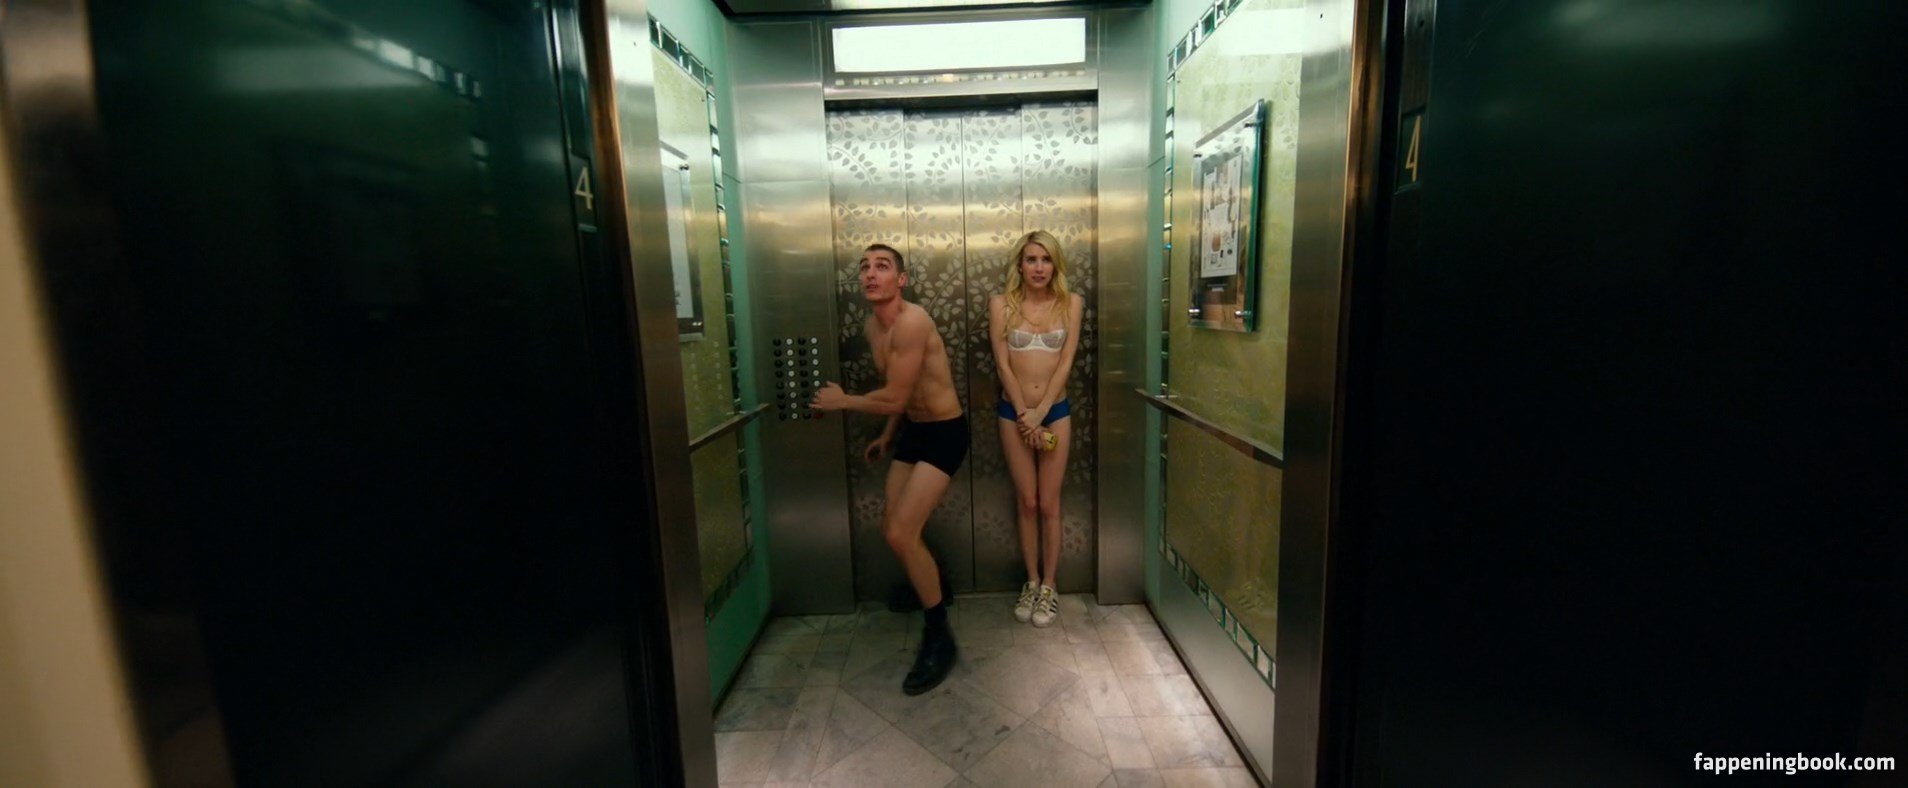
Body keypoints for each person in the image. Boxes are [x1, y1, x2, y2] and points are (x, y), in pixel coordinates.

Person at [812, 243, 964, 695]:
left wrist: (843, 401)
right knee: (892, 528)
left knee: (901, 532)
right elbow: (903, 391)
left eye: (882, 266)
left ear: (901, 279)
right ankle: (935, 584)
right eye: (864, 267)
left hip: (945, 433)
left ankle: (939, 636)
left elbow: (894, 395)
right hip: (914, 430)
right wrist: (887, 435)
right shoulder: (872, 327)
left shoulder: (912, 322)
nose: (870, 273)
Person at [987, 230, 1084, 628]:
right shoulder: (1001, 305)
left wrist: (1041, 411)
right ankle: (1030, 581)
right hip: (1013, 413)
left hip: (1055, 410)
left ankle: (1049, 586)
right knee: (1027, 501)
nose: (1039, 267)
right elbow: (1002, 363)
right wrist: (1024, 414)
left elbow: (1067, 360)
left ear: (1055, 264)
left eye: (1046, 259)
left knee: (1049, 503)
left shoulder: (1071, 303)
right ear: (1020, 265)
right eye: (1031, 259)